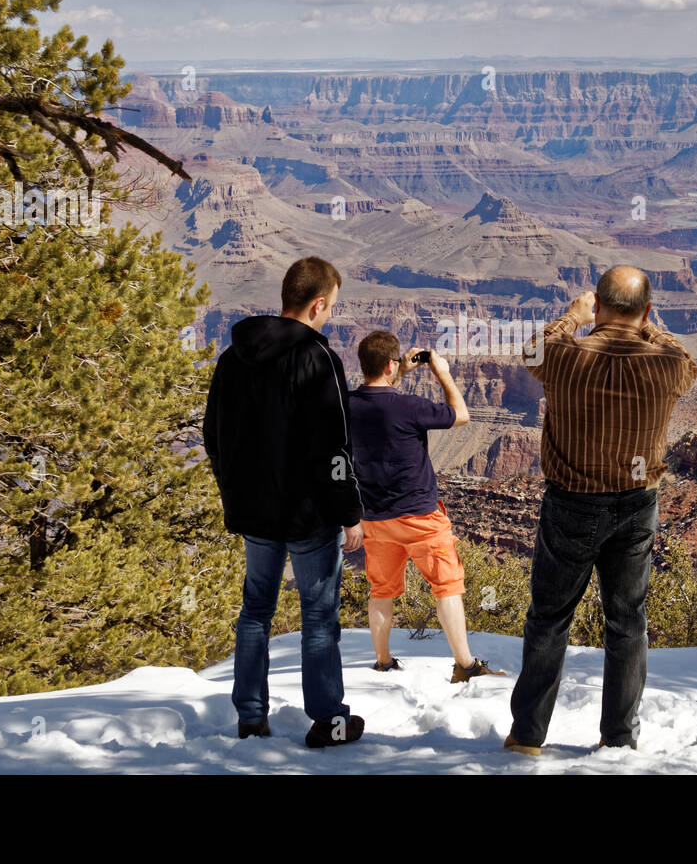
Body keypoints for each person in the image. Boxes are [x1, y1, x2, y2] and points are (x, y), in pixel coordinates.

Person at [505, 266, 697, 756]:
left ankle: (528, 737)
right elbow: (686, 360)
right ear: (647, 311)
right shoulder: (665, 365)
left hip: (572, 505)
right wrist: (647, 327)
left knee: (550, 619)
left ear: (599, 304)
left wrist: (572, 317)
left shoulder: (566, 356)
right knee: (628, 622)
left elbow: (530, 351)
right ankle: (617, 739)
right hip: (637, 507)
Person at [202, 256, 367, 749]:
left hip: (254, 511)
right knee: (319, 617)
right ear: (318, 303)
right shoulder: (319, 360)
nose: (331, 315)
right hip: (306, 515)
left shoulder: (234, 358)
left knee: (256, 610)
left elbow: (213, 435)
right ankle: (328, 720)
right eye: (332, 307)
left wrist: (232, 489)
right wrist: (349, 512)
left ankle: (251, 717)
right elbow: (335, 449)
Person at [347, 331, 505, 682]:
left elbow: (379, 398)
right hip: (420, 514)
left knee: (381, 590)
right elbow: (460, 415)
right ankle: (465, 665)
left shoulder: (347, 404)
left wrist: (397, 373)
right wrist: (442, 372)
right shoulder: (411, 406)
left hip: (375, 517)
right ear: (391, 363)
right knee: (446, 586)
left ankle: (383, 661)